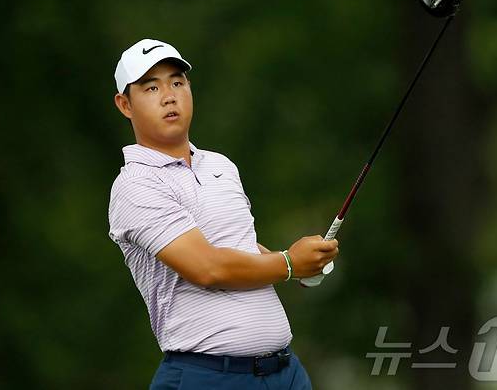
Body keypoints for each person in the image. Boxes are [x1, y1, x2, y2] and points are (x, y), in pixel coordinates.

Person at [108, 38, 339, 389]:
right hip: (206, 376)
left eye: (177, 82)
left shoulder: (220, 165)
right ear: (125, 105)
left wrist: (300, 265)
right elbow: (208, 267)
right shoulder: (135, 186)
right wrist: (289, 263)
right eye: (151, 87)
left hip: (285, 373)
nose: (169, 96)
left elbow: (241, 247)